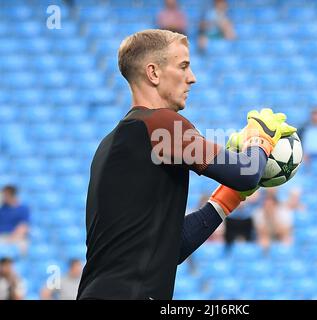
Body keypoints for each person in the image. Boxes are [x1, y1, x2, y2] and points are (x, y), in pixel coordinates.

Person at [76, 29, 296, 300]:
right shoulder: (160, 124)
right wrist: (260, 138)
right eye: (183, 66)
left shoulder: (112, 142)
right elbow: (247, 172)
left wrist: (228, 198)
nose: (192, 78)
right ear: (153, 73)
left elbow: (172, 248)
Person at [0, 185, 30, 255]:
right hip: (2, 236)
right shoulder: (2, 208)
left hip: (16, 238)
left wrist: (11, 239)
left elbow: (23, 227)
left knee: (22, 246)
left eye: (5, 195)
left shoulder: (23, 208)